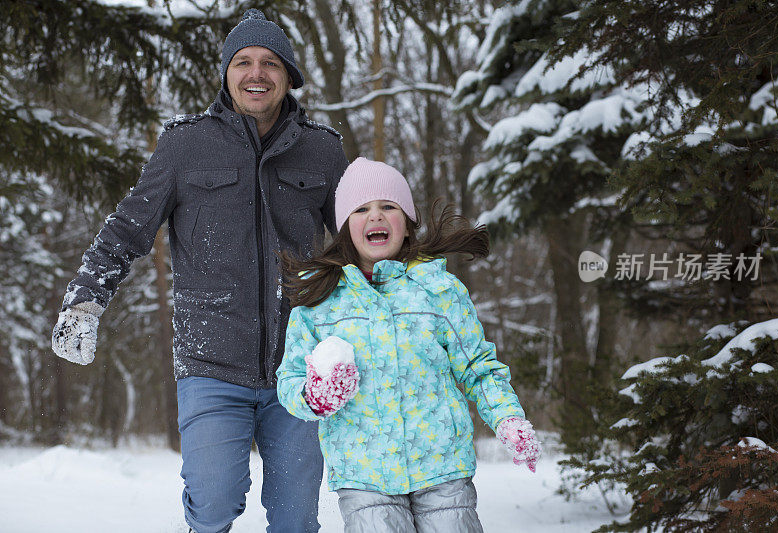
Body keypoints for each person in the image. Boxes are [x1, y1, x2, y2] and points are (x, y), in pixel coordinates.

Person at [50, 9, 348, 533]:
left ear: (290, 76)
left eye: (270, 63)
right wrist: (85, 300)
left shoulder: (321, 150)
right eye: (243, 62)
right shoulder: (185, 144)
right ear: (226, 73)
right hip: (211, 361)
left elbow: (359, 240)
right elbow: (128, 228)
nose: (256, 73)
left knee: (296, 518)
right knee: (212, 503)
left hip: (301, 361)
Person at [276, 158, 541, 532]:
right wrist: (316, 397)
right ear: (344, 226)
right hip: (364, 473)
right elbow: (289, 381)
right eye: (361, 209)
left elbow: (479, 369)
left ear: (408, 220)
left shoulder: (439, 290)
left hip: (442, 466)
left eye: (389, 206)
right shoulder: (321, 302)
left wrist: (507, 418)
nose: (376, 217)